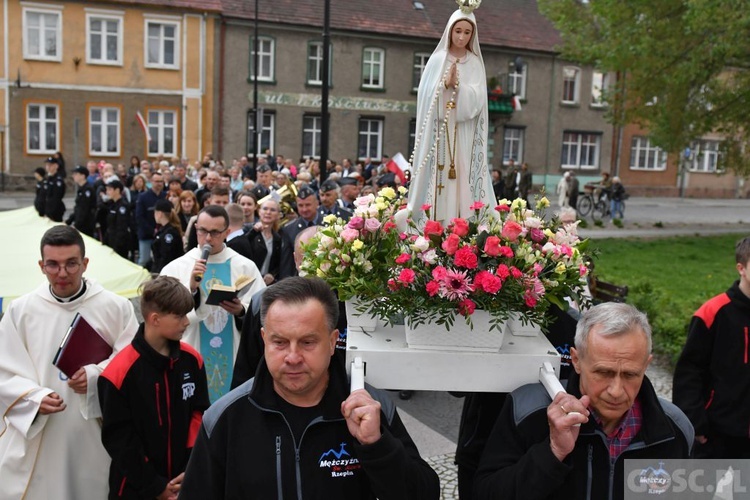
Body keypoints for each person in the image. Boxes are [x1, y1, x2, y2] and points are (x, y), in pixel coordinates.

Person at [180, 277, 440, 499]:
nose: (292, 357)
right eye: (280, 342)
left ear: (332, 341)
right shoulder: (225, 417)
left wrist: (376, 445)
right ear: (263, 341)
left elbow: (424, 493)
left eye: (307, 342)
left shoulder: (370, 409)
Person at [474, 303, 693, 500]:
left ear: (646, 365)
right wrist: (553, 453)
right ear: (577, 360)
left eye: (630, 374)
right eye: (603, 373)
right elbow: (485, 493)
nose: (616, 391)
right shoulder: (528, 410)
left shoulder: (676, 430)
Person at [0, 225, 138, 500]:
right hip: (41, 431)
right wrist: (34, 397)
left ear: (85, 263)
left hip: (92, 432)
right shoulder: (21, 311)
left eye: (71, 264)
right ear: (41, 265)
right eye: (52, 264)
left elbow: (132, 361)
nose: (62, 273)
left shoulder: (115, 307)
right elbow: (4, 370)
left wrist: (96, 375)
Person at [98, 276, 209, 500]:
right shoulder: (118, 373)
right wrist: (156, 486)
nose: (187, 322)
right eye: (179, 316)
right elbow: (119, 439)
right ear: (155, 319)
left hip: (184, 482)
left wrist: (190, 468)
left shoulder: (192, 359)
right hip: (135, 489)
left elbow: (200, 414)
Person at [160, 205, 266, 402]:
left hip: (232, 354)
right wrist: (190, 289)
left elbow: (263, 312)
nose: (208, 238)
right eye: (202, 231)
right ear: (196, 229)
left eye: (215, 232)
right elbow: (162, 315)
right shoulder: (176, 267)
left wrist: (241, 311)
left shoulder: (243, 266)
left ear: (226, 232)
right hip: (192, 350)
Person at [403, 3, 495, 228]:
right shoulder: (437, 60)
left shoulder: (474, 63)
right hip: (439, 133)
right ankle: (433, 227)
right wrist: (444, 84)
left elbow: (478, 100)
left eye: (467, 32)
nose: (462, 37)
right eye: (458, 31)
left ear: (472, 34)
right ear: (450, 31)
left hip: (463, 133)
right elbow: (424, 96)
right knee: (437, 179)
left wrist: (459, 89)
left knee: (463, 177)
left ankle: (462, 225)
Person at [673, 236, 750, 458]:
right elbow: (689, 372)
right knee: (700, 489)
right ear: (741, 268)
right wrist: (695, 422)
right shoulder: (713, 313)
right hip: (715, 431)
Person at [246, 198, 295, 286]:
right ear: (259, 211)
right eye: (265, 209)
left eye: (272, 210)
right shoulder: (249, 230)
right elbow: (241, 249)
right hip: (247, 281)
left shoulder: (277, 238)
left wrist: (272, 274)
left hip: (265, 284)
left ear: (278, 215)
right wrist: (253, 232)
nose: (268, 212)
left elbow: (276, 264)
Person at [135, 171, 166, 267]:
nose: (159, 184)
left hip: (162, 234)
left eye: (161, 181)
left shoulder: (165, 196)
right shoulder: (143, 197)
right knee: (144, 261)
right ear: (151, 182)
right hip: (146, 235)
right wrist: (152, 230)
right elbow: (139, 217)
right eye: (156, 181)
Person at [104, 179, 137, 259]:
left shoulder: (123, 206)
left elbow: (122, 227)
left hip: (119, 243)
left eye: (110, 190)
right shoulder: (112, 204)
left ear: (117, 190)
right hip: (111, 239)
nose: (107, 192)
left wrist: (117, 246)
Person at [151, 199, 185, 273]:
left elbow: (166, 257)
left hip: (168, 273)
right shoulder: (164, 230)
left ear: (159, 214)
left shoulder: (169, 233)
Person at [66, 165, 97, 236]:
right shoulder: (81, 189)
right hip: (81, 223)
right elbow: (78, 208)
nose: (73, 176)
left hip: (86, 224)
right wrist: (69, 221)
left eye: (76, 174)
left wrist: (77, 225)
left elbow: (84, 209)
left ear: (83, 176)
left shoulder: (87, 190)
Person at [42, 156, 66, 222]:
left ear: (56, 166)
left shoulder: (58, 180)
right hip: (47, 209)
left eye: (50, 165)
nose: (48, 167)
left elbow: (56, 198)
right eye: (47, 165)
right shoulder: (48, 179)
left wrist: (50, 213)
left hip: (55, 211)